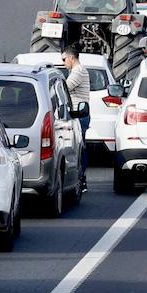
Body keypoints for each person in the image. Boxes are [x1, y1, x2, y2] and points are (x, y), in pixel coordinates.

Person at [61, 49, 90, 192]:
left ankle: (81, 178)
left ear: (71, 57)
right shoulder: (78, 70)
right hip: (80, 113)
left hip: (79, 114)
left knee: (80, 147)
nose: (63, 62)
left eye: (64, 59)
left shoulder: (78, 71)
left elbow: (64, 89)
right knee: (80, 146)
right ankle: (81, 179)